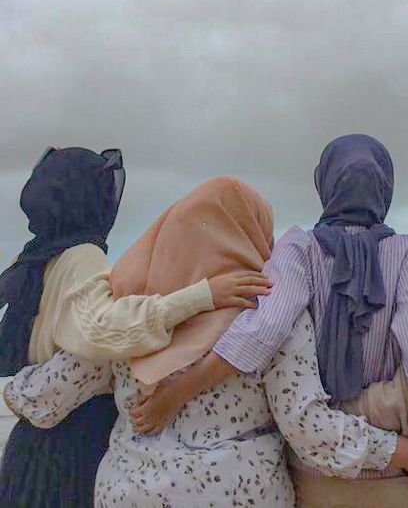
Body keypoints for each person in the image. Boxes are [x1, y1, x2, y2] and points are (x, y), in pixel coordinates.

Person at [131, 134, 408, 508]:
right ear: (386, 188)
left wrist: (178, 392)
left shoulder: (297, 247)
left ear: (325, 184)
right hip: (400, 471)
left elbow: (262, 331)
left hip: (318, 468)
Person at [6, 175, 408, 508]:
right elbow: (307, 429)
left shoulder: (134, 311)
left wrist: (16, 391)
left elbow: (48, 395)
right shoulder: (269, 311)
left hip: (130, 491)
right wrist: (403, 451)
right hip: (239, 492)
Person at [0, 147, 260, 508]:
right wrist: (201, 296)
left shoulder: (32, 257)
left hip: (29, 447)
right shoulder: (82, 256)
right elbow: (102, 332)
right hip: (73, 446)